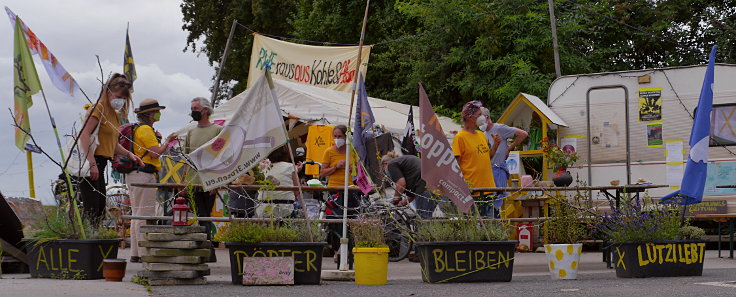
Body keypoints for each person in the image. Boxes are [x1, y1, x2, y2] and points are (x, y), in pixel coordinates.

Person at [78, 73, 143, 224]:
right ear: (108, 92)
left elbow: (112, 143)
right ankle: (88, 239)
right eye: (118, 96)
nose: (121, 101)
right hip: (91, 163)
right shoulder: (98, 108)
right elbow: (84, 134)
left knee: (100, 207)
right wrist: (92, 162)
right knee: (92, 208)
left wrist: (129, 154)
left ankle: (95, 238)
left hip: (102, 164)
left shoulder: (113, 114)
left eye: (124, 99)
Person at [126, 98, 177, 263]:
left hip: (134, 173)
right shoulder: (146, 130)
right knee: (145, 213)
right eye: (157, 111)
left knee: (137, 213)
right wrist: (167, 142)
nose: (159, 114)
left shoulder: (139, 129)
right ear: (149, 114)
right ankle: (143, 252)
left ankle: (136, 251)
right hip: (144, 174)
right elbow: (155, 153)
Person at [182, 97, 222, 262]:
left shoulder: (218, 130)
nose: (193, 110)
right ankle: (207, 249)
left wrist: (217, 181)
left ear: (205, 110)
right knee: (201, 214)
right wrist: (183, 181)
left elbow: (221, 157)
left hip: (209, 180)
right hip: (192, 180)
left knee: (204, 214)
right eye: (192, 107)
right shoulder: (190, 131)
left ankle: (207, 249)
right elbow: (186, 157)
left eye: (196, 107)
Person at [451, 100, 500, 218]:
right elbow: (455, 166)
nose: (482, 117)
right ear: (470, 117)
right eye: (479, 114)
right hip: (472, 192)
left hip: (488, 189)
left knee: (489, 226)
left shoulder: (481, 135)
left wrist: (496, 145)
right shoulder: (460, 137)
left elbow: (487, 157)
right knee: (474, 227)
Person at [478, 107, 528, 216]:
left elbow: (523, 134)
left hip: (498, 169)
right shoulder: (483, 134)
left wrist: (509, 148)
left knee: (496, 200)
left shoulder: (499, 128)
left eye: (480, 120)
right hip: (488, 170)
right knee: (487, 202)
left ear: (487, 118)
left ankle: (496, 225)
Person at [381, 152, 436, 219]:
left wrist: (394, 200)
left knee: (423, 219)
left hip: (424, 185)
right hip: (434, 183)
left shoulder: (392, 164)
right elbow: (412, 195)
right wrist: (401, 203)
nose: (385, 172)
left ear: (385, 163)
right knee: (426, 216)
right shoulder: (405, 165)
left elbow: (401, 183)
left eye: (383, 169)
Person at [255, 147, 299, 218]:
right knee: (298, 208)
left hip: (264, 208)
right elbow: (296, 192)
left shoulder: (262, 168)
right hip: (285, 208)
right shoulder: (290, 166)